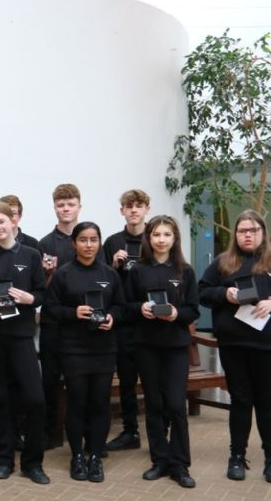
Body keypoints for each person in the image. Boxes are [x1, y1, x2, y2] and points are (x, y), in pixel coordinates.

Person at [199, 210, 271, 484]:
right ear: (236, 234)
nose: (248, 235)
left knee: (266, 403)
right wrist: (224, 294)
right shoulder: (223, 262)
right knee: (240, 402)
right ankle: (237, 458)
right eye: (243, 230)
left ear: (263, 233)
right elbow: (203, 292)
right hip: (234, 344)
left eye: (253, 230)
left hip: (268, 345)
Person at [0, 202, 49, 484]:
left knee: (34, 398)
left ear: (13, 221)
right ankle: (3, 459)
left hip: (21, 336)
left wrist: (31, 299)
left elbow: (42, 293)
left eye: (1, 222)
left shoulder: (31, 254)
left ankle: (32, 463)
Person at [45, 221, 124, 483]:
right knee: (77, 402)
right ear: (74, 243)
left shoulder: (110, 274)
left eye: (93, 240)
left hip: (103, 348)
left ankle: (95, 457)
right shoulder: (64, 274)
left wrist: (112, 316)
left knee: (100, 403)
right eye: (83, 240)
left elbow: (121, 307)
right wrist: (73, 313)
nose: (88, 245)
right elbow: (50, 309)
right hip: (74, 349)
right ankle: (77, 455)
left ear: (99, 242)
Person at [126, 215, 198, 488]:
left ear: (174, 238)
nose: (161, 239)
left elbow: (193, 309)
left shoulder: (185, 271)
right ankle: (159, 460)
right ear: (149, 238)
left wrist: (178, 313)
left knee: (176, 406)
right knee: (154, 405)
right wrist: (140, 309)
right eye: (156, 234)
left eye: (167, 234)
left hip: (176, 347)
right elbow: (125, 306)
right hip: (146, 346)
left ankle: (180, 464)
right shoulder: (138, 270)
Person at [37, 183, 96, 449]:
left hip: (83, 326)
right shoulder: (44, 244)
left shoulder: (90, 238)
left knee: (81, 383)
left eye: (70, 204)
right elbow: (37, 287)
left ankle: (85, 434)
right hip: (53, 322)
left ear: (79, 207)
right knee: (50, 379)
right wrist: (46, 274)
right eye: (61, 205)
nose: (66, 209)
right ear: (54, 208)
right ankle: (51, 433)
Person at [103, 190, 151, 453]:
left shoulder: (156, 237)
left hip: (150, 320)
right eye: (128, 206)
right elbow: (101, 281)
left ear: (146, 209)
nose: (133, 210)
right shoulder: (112, 242)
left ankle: (160, 431)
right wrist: (113, 265)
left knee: (154, 379)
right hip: (123, 321)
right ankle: (130, 431)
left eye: (138, 206)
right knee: (127, 380)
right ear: (121, 211)